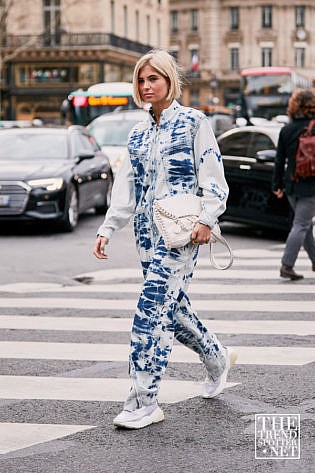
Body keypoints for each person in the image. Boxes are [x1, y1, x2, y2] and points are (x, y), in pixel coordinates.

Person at [94, 49, 236, 429]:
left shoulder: (194, 123)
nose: (146, 86)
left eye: (153, 78)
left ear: (170, 80)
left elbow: (213, 175)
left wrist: (208, 218)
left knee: (152, 308)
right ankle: (217, 358)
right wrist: (108, 227)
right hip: (146, 233)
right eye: (141, 80)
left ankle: (144, 400)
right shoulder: (138, 133)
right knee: (171, 307)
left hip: (183, 234)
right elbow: (126, 186)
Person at [272, 88, 315, 280]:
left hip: (291, 186)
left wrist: (276, 185)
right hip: (310, 185)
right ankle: (287, 265)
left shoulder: (286, 129)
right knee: (301, 225)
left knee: (304, 226)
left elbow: (279, 161)